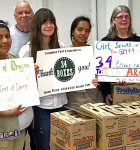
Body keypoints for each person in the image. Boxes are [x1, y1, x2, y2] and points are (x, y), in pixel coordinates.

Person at [19, 8, 68, 150]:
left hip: (62, 103)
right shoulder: (27, 50)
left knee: (63, 144)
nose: (49, 25)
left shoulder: (62, 47)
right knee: (42, 146)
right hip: (41, 107)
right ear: (37, 26)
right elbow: (21, 83)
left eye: (51, 22)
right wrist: (30, 75)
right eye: (44, 22)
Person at [99, 5, 140, 105]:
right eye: (120, 17)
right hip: (113, 91)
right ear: (113, 20)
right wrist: (106, 93)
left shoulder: (139, 42)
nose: (124, 19)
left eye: (127, 16)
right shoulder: (105, 42)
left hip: (136, 90)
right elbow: (103, 71)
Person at [0, 20, 33, 150]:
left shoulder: (13, 58)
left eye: (7, 36)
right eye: (0, 37)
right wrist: (5, 113)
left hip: (20, 126)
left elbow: (21, 85)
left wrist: (31, 75)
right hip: (3, 129)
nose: (5, 41)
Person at [66, 16, 103, 110]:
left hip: (95, 100)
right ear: (72, 31)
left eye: (87, 31)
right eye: (80, 29)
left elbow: (102, 74)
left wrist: (99, 78)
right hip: (73, 102)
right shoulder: (64, 54)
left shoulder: (95, 52)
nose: (84, 33)